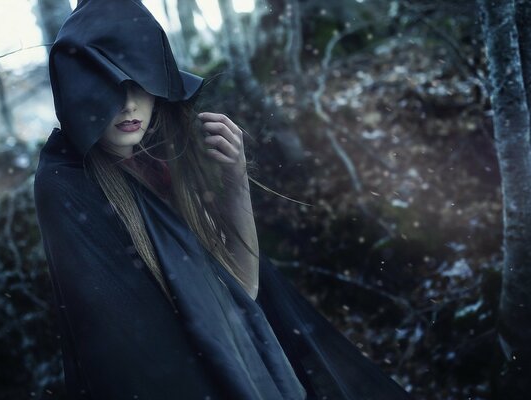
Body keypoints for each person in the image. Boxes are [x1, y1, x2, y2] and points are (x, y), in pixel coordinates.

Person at [33, 0, 413, 399]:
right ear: (81, 93)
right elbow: (128, 354)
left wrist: (236, 179)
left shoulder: (158, 167)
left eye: (139, 83)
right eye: (109, 88)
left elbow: (243, 289)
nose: (129, 104)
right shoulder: (66, 184)